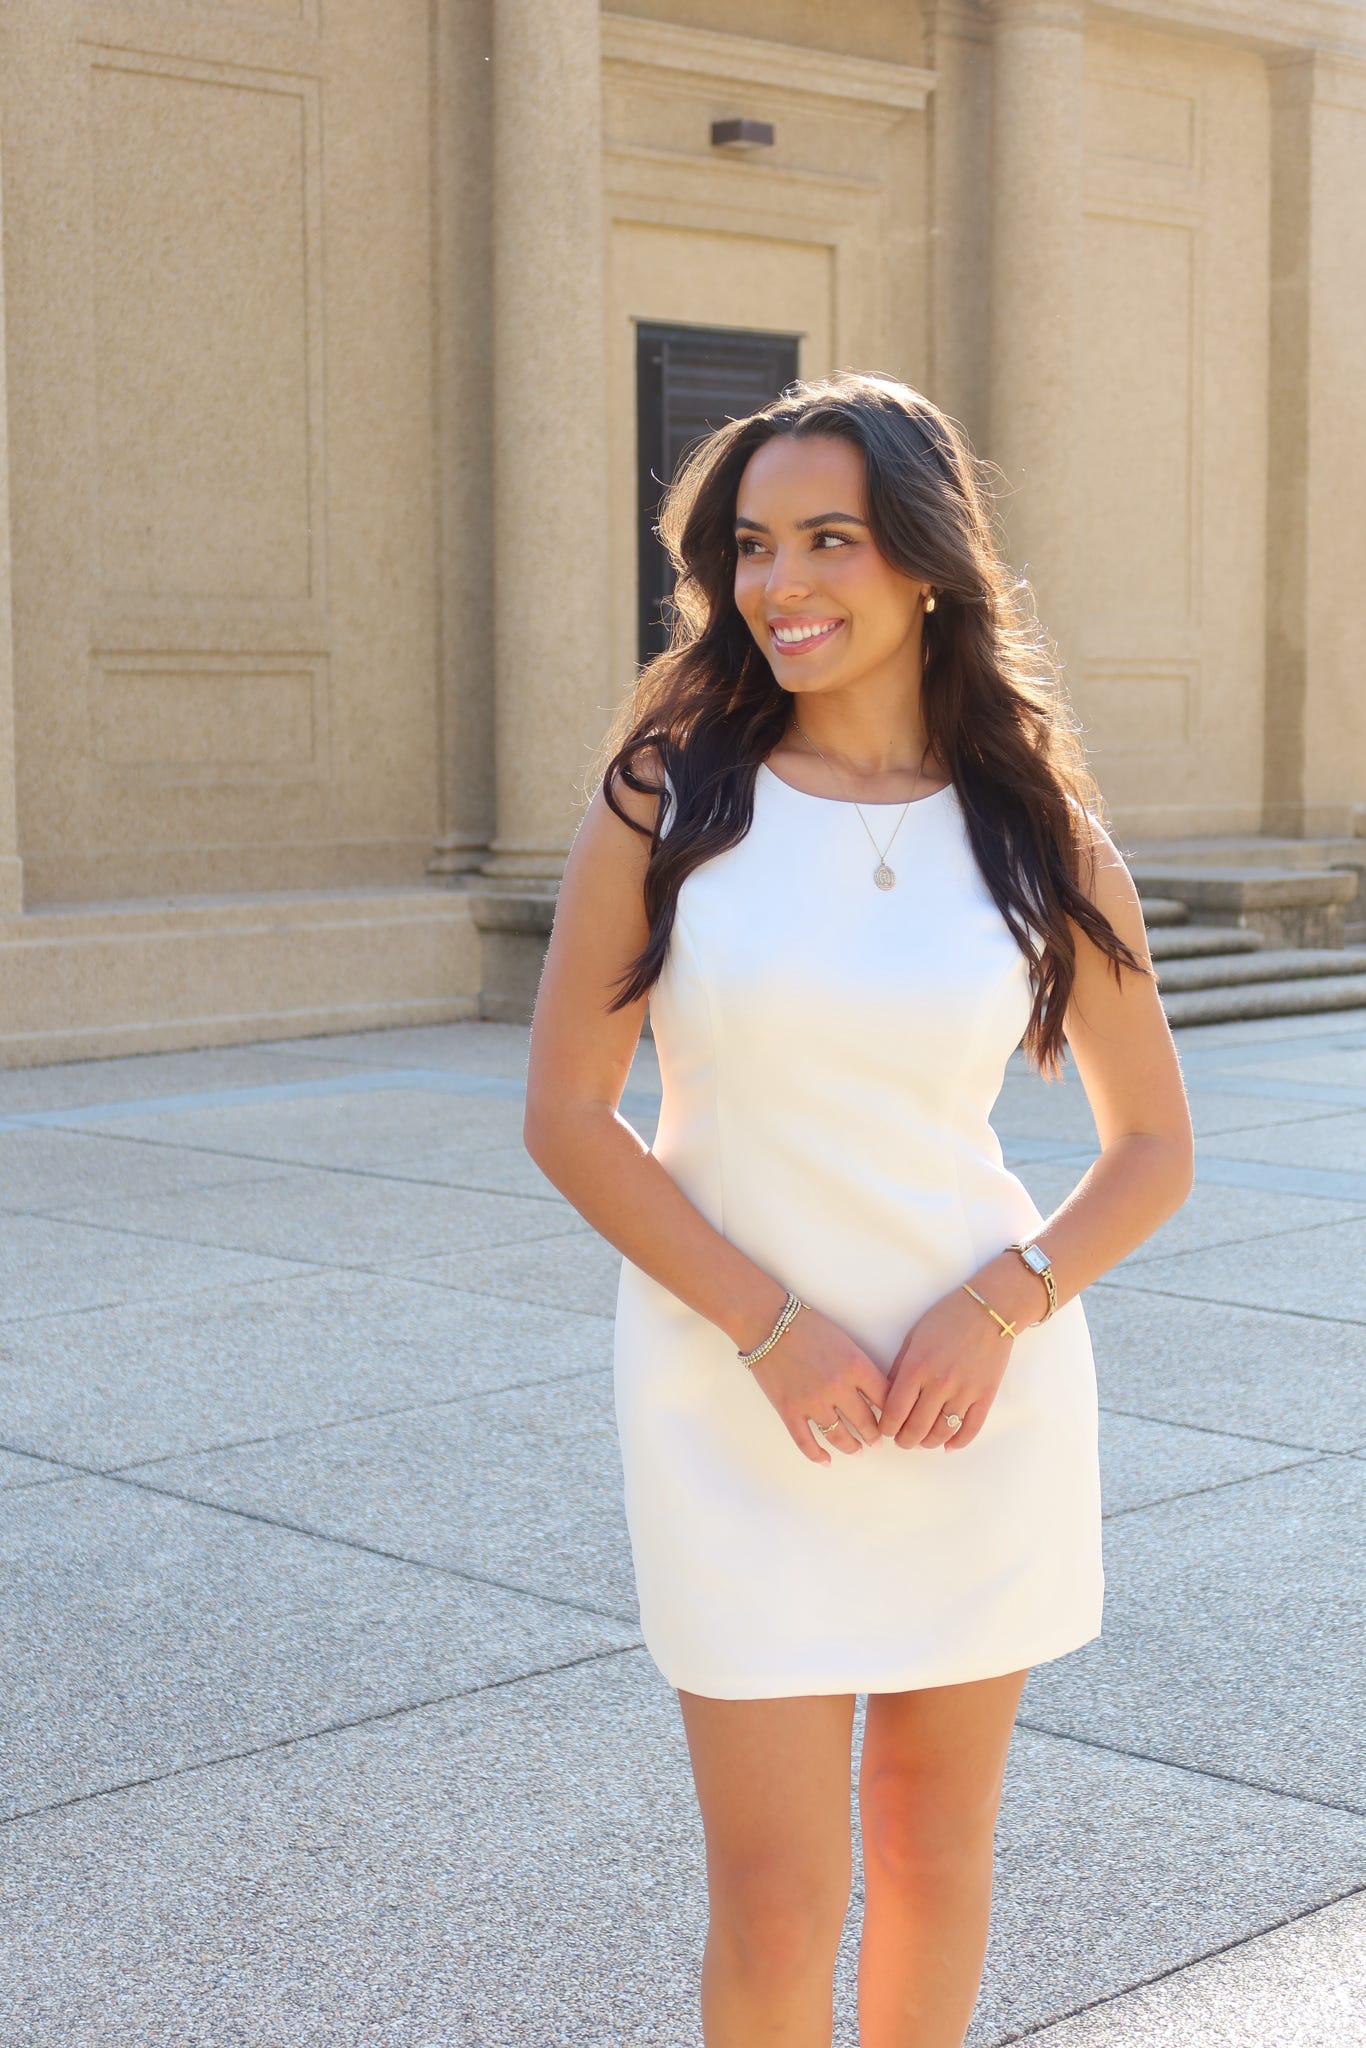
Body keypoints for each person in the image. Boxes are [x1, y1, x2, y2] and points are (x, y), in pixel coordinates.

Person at [522, 371, 1194, 2048]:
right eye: (751, 547)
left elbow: (1149, 1150)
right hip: (727, 1395)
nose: (780, 583)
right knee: (772, 1894)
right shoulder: (668, 796)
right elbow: (568, 1118)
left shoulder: (1037, 834)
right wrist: (766, 1327)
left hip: (975, 1403)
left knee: (928, 1848)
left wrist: (1001, 1303)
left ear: (923, 560)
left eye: (829, 538)